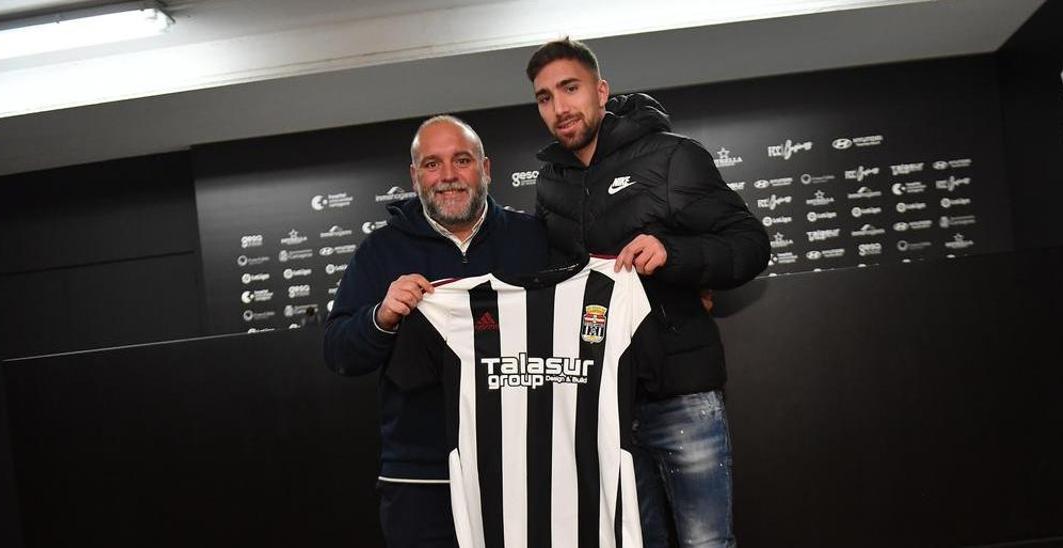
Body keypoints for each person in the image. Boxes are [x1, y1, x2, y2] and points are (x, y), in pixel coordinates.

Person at [525, 38, 770, 548]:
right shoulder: (550, 184)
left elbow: (750, 245)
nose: (559, 107)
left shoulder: (671, 156)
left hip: (683, 398)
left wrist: (672, 254)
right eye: (545, 97)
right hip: (605, 408)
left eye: (570, 88)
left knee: (707, 544)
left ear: (601, 90)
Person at [323, 115, 549, 548]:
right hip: (421, 480)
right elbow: (337, 352)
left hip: (524, 469)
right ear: (414, 175)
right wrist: (382, 316)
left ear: (485, 168)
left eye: (461, 160)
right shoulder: (380, 252)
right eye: (432, 164)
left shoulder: (535, 240)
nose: (447, 176)